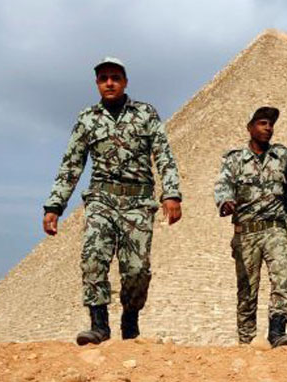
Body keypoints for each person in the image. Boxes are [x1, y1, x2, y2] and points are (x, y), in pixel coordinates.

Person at [42, 57, 182, 345]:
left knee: (136, 271)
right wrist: (54, 206)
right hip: (101, 200)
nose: (109, 82)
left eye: (115, 77)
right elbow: (71, 164)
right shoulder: (87, 119)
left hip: (138, 202)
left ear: (125, 82)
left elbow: (164, 156)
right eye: (103, 78)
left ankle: (130, 321)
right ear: (96, 83)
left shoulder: (146, 114)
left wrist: (171, 194)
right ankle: (99, 325)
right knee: (93, 258)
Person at [214, 107, 287, 347]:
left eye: (270, 124)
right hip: (246, 231)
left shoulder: (283, 157)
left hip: (274, 229)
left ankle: (277, 330)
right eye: (262, 123)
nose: (267, 128)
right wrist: (226, 202)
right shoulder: (234, 159)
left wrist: (284, 223)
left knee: (283, 278)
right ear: (249, 127)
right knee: (247, 290)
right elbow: (223, 186)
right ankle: (247, 340)